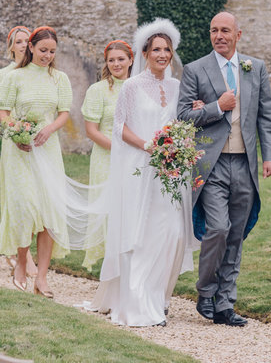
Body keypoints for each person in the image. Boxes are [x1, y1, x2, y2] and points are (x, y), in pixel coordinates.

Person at [87, 18, 198, 327]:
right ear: (146, 53)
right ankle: (138, 302)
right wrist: (150, 146)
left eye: (167, 49)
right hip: (140, 167)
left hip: (170, 170)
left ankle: (160, 298)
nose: (162, 54)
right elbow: (119, 127)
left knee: (173, 234)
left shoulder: (178, 86)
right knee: (142, 234)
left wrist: (177, 146)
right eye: (156, 49)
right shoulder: (133, 86)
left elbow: (183, 121)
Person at [177, 11, 271, 327]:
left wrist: (269, 156)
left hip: (245, 163)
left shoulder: (255, 68)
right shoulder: (195, 70)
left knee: (235, 234)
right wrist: (216, 107)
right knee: (217, 228)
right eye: (213, 30)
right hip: (212, 164)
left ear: (238, 34)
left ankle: (225, 305)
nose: (219, 36)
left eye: (225, 31)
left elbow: (266, 116)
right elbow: (181, 116)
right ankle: (205, 291)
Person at [0, 26, 75, 298]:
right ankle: (20, 263)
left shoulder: (59, 78)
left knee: (49, 212)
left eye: (52, 51)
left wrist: (50, 130)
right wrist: (16, 135)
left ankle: (42, 277)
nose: (47, 56)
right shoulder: (15, 77)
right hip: (21, 151)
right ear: (30, 48)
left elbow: (63, 113)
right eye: (42, 50)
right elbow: (4, 113)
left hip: (47, 149)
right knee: (25, 208)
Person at [79, 40, 134, 270]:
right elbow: (91, 131)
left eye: (121, 59)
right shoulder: (98, 90)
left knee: (131, 211)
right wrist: (119, 149)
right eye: (111, 60)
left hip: (135, 159)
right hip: (106, 158)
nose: (116, 64)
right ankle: (110, 270)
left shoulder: (137, 87)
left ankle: (129, 266)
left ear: (131, 60)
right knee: (109, 212)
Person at [0, 25, 39, 277]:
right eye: (18, 41)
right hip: (15, 142)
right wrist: (17, 133)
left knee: (36, 200)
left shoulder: (37, 72)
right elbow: (4, 111)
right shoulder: (4, 74)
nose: (23, 45)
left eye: (26, 41)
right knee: (20, 199)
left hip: (38, 145)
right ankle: (23, 254)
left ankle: (18, 249)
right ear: (11, 46)